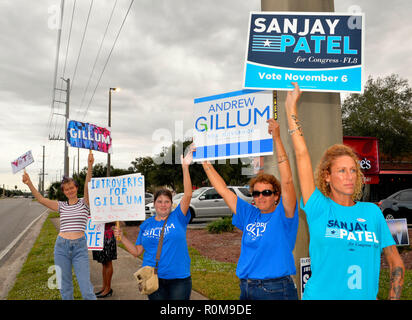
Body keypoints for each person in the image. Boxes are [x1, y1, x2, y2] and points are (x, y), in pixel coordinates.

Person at [284, 82, 405, 300]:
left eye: (352, 170)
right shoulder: (319, 207)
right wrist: (291, 109)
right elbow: (302, 154)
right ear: (327, 176)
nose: (349, 176)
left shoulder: (373, 212)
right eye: (341, 170)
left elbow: (396, 262)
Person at [201, 119, 299, 300]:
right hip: (246, 287)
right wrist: (205, 161)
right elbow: (223, 190)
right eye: (256, 193)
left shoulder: (284, 214)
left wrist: (277, 139)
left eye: (266, 192)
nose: (260, 197)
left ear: (276, 195)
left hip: (275, 289)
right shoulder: (249, 214)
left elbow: (287, 181)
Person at [114, 147, 194, 300]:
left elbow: (188, 194)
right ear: (154, 203)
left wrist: (185, 167)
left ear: (171, 204)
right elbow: (137, 251)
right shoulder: (146, 224)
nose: (163, 205)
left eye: (167, 202)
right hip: (152, 278)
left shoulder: (178, 217)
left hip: (179, 279)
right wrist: (122, 237)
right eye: (159, 201)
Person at [22, 150, 96, 300]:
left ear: (76, 188)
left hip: (80, 247)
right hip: (61, 247)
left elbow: (88, 185)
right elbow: (41, 200)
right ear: (64, 191)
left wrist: (90, 165)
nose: (70, 190)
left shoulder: (85, 202)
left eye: (72, 187)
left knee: (86, 288)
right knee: (65, 287)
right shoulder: (61, 206)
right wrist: (29, 183)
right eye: (66, 189)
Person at [93, 222, 116, 298]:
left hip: (107, 235)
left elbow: (115, 221)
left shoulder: (111, 209)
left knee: (108, 262)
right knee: (103, 263)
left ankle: (108, 289)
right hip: (98, 235)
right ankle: (104, 287)